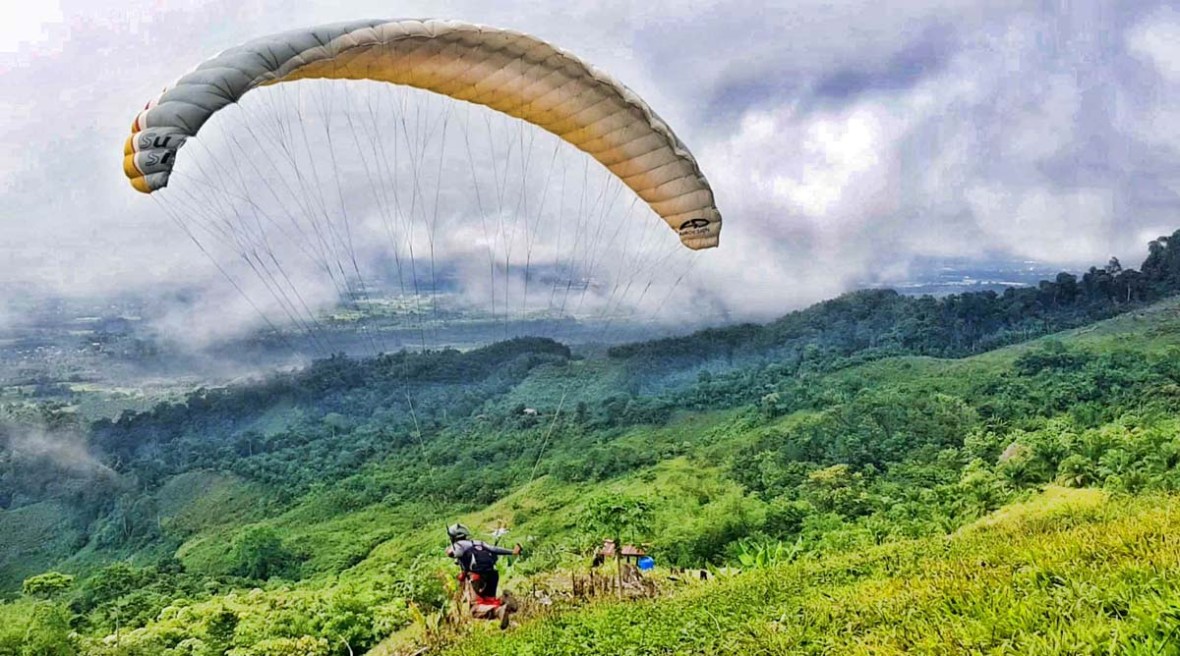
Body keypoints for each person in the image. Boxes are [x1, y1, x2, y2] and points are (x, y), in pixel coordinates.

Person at [445, 524, 521, 600]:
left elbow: (456, 553)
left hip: (475, 576)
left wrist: (449, 552)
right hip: (492, 574)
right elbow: (494, 549)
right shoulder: (478, 543)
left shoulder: (458, 545)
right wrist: (512, 552)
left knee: (475, 601)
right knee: (491, 599)